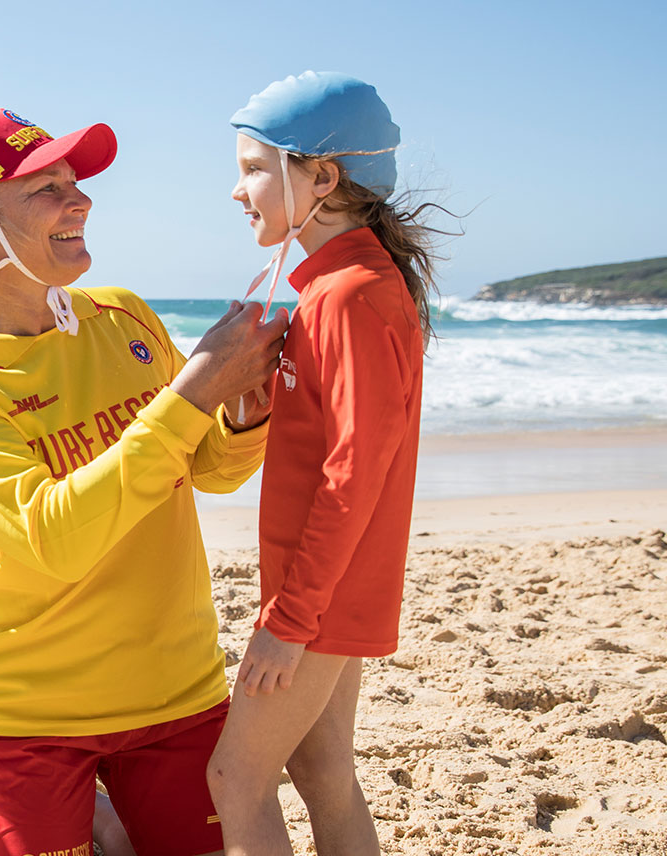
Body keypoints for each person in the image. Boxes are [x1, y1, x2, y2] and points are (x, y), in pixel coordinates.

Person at [0, 107, 291, 856]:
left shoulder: (124, 318)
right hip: (29, 714)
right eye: (45, 189)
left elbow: (206, 470)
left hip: (180, 693)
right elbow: (53, 539)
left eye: (74, 183)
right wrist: (197, 393)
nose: (79, 201)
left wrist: (244, 415)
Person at [205, 72, 436, 856]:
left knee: (234, 779)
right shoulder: (333, 289)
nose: (236, 191)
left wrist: (289, 623)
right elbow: (328, 443)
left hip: (322, 595)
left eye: (251, 168)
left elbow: (354, 474)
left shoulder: (351, 294)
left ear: (324, 177)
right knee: (324, 769)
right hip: (327, 585)